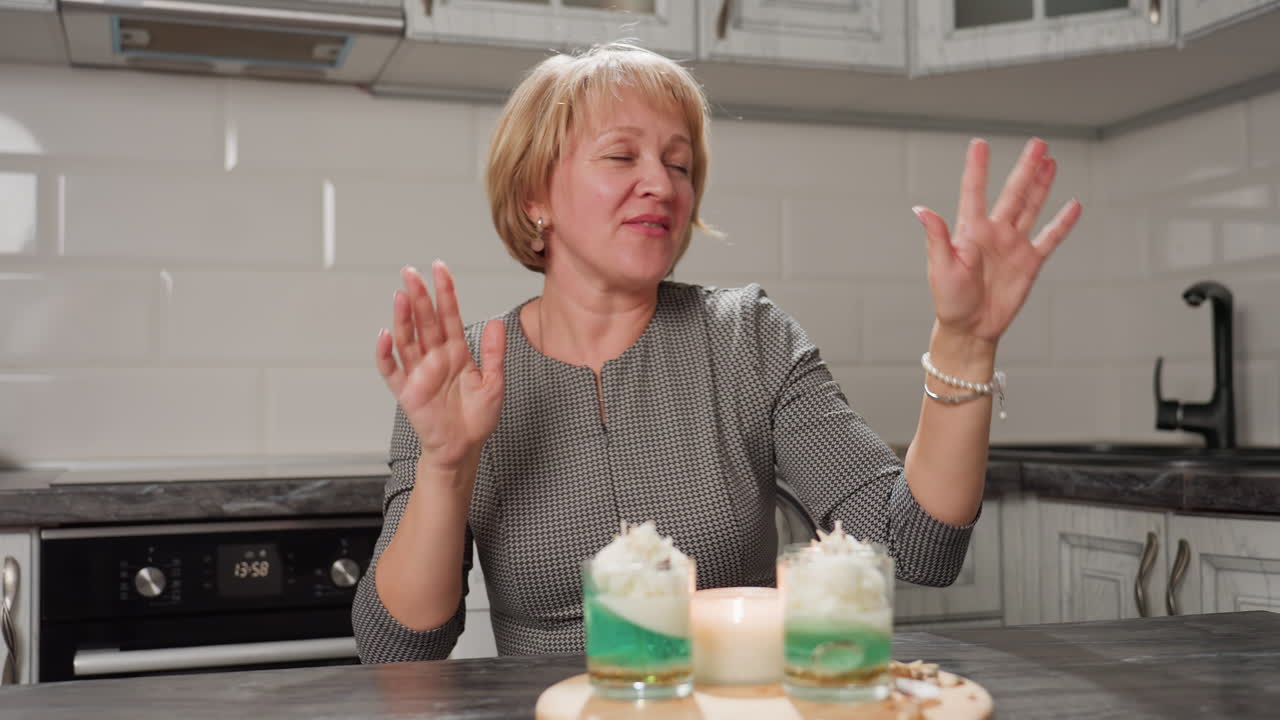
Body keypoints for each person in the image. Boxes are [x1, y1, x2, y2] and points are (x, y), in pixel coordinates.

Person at [352, 42, 1082, 663]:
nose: (661, 184)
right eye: (621, 155)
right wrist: (446, 468)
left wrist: (967, 339)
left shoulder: (747, 338)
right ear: (534, 196)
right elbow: (398, 649)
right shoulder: (462, 373)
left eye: (679, 163)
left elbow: (918, 548)